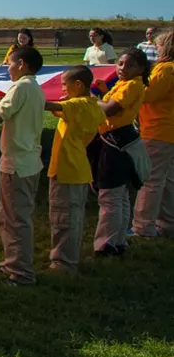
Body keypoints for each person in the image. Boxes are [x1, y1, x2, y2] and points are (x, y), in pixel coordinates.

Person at [0, 46, 47, 286]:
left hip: (17, 164)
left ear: (21, 65)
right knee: (14, 217)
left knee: (15, 219)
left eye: (10, 63)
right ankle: (13, 264)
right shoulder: (35, 88)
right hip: (29, 161)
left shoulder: (20, 87)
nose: (7, 67)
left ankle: (21, 273)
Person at [44, 66, 106, 272]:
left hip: (67, 169)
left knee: (63, 219)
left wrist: (26, 97)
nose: (62, 88)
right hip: (79, 169)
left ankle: (63, 263)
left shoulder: (77, 105)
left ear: (78, 85)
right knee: (74, 217)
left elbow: (48, 105)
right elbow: (60, 110)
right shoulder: (92, 105)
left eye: (64, 84)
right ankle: (69, 258)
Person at [90, 48, 149, 257]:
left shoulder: (133, 85)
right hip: (119, 139)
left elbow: (108, 109)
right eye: (121, 64)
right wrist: (105, 90)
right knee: (120, 195)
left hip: (116, 142)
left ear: (141, 69)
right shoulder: (126, 84)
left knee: (110, 196)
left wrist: (88, 98)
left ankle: (106, 244)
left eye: (129, 65)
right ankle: (118, 240)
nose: (123, 68)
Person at [134, 32, 174, 237]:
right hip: (169, 130)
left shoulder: (166, 69)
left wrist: (133, 82)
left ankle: (143, 227)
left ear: (166, 48)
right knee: (167, 179)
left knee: (150, 180)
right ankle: (167, 223)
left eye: (158, 46)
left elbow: (148, 95)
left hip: (157, 130)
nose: (155, 50)